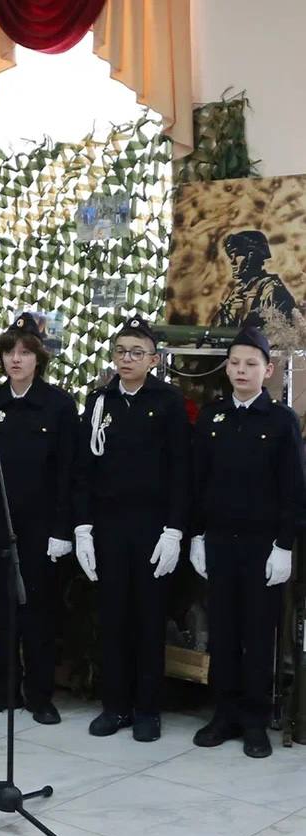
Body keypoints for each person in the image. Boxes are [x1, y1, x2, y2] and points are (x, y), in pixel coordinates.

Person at [73, 316, 190, 742]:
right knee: (112, 618)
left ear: (153, 360)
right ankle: (115, 706)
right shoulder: (100, 401)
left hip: (152, 527)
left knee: (148, 619)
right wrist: (82, 527)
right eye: (121, 351)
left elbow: (182, 472)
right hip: (109, 526)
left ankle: (147, 710)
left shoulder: (169, 402)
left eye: (137, 352)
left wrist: (175, 530)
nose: (127, 359)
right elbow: (83, 470)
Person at [190, 326, 306, 758]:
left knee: (258, 635)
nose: (242, 370)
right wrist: (197, 535)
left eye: (251, 364)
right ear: (227, 368)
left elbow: (293, 489)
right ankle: (223, 714)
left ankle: (255, 721)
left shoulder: (280, 420)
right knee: (221, 632)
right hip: (219, 541)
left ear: (267, 370)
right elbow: (198, 481)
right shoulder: (212, 417)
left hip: (262, 546)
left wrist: (284, 545)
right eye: (235, 363)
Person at [0, 313, 78, 724]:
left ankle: (40, 694)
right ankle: (2, 688)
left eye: (25, 352)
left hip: (42, 527)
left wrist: (63, 530)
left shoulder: (59, 405)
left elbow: (69, 474)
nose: (16, 359)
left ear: (38, 359)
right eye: (9, 352)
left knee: (39, 612)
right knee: (2, 611)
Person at [215, 231, 296, 327]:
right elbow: (214, 331)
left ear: (253, 255)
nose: (232, 262)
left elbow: (277, 330)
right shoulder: (238, 290)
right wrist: (227, 314)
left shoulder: (270, 287)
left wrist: (246, 313)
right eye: (231, 256)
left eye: (238, 254)